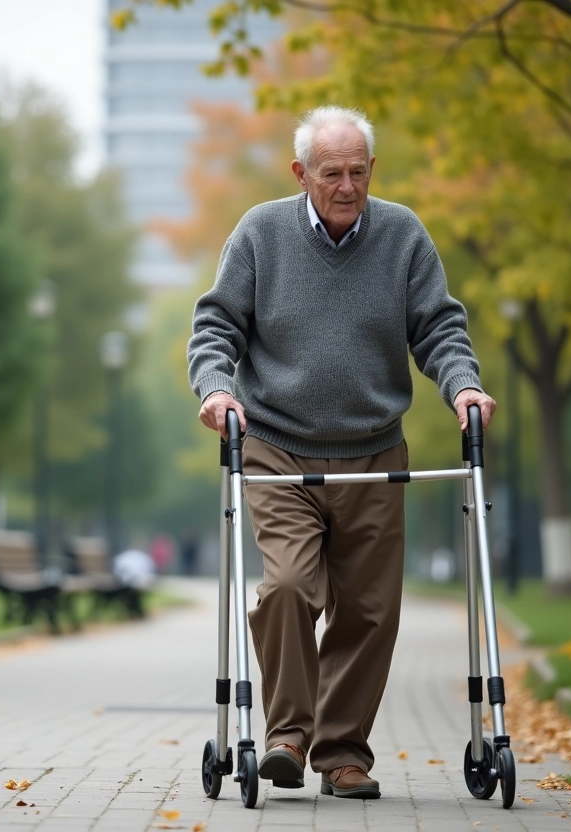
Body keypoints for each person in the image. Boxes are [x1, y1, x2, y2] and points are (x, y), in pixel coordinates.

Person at [187, 105, 495, 800]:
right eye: (332, 173)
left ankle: (343, 754)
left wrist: (464, 386)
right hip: (277, 447)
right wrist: (214, 389)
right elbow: (215, 326)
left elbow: (439, 328)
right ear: (302, 174)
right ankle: (287, 737)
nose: (347, 186)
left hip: (374, 450)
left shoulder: (403, 236)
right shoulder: (261, 234)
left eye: (358, 171)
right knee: (292, 586)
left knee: (368, 610)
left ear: (371, 171)